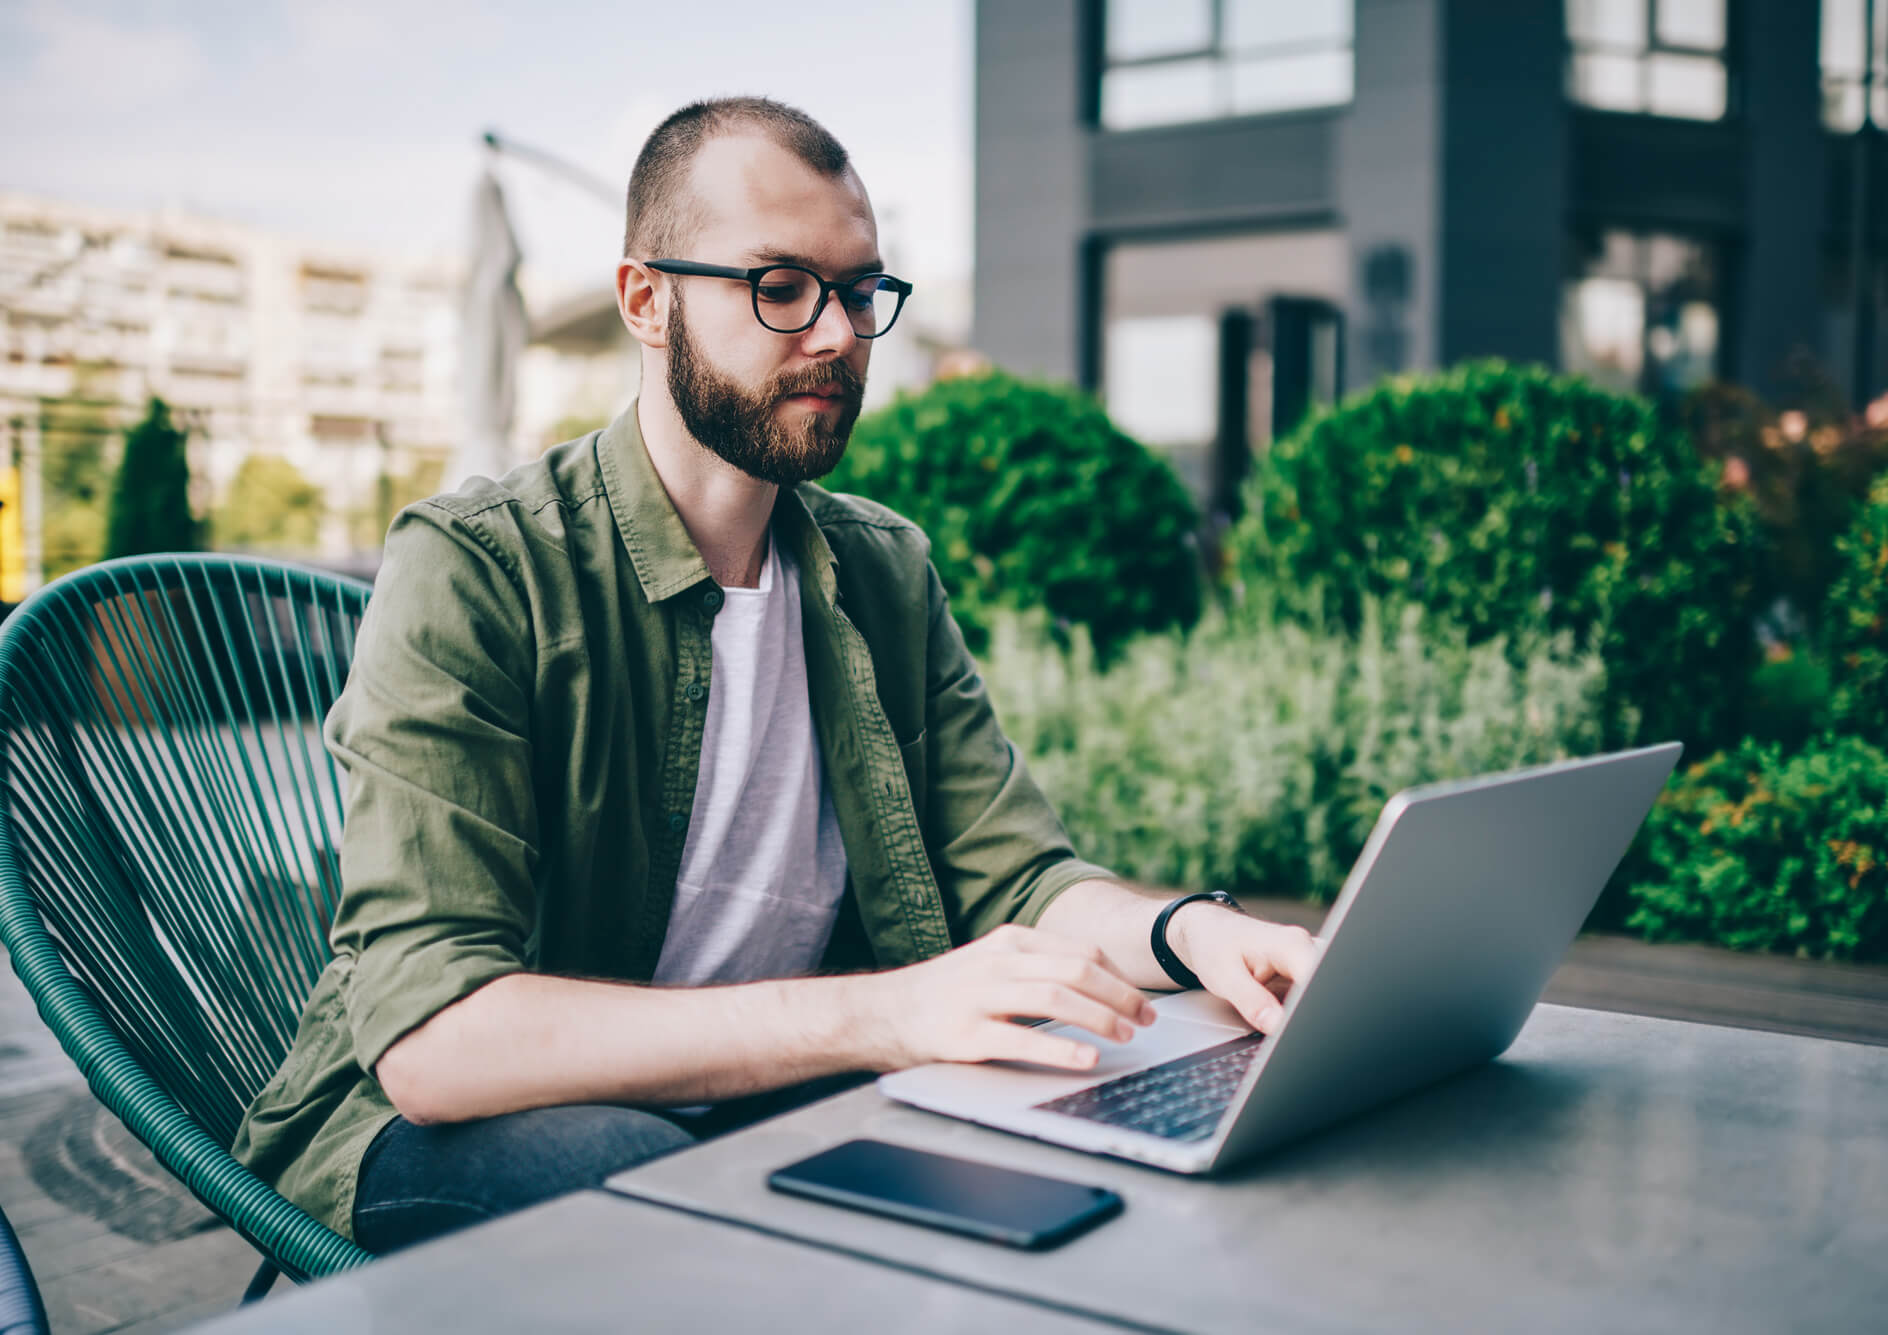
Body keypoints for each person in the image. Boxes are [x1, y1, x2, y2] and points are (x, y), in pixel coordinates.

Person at [232, 96, 1316, 1253]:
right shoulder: (477, 569)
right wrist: (886, 1013)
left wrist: (1192, 936)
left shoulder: (880, 568)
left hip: (762, 1101)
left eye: (857, 290)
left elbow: (1019, 877)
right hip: (434, 1131)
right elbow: (439, 1039)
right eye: (780, 286)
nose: (840, 334)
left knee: (1082, 1128)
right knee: (651, 1182)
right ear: (646, 301)